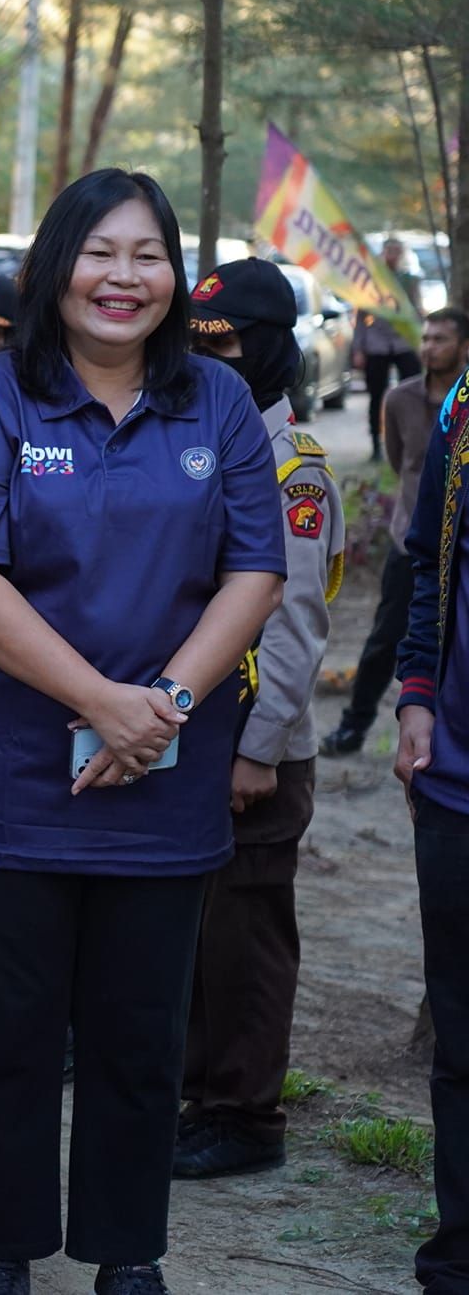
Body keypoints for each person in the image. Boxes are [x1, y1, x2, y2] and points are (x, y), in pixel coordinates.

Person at [0, 169, 285, 1295]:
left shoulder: (214, 402)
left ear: (172, 276)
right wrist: (102, 702)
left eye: (146, 257)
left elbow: (253, 568)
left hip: (160, 781)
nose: (122, 279)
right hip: (4, 779)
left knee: (136, 1035)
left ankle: (128, 1252)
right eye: (99, 253)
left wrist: (158, 707)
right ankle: (3, 1251)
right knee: (7, 1036)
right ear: (54, 267)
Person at [172, 258, 345, 1181]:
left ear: (272, 350)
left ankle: (246, 1115)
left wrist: (258, 751)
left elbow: (296, 628)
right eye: (200, 343)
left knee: (246, 936)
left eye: (227, 344)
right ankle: (203, 1097)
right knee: (203, 931)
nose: (211, 360)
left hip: (258, 749)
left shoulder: (293, 470)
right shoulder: (220, 438)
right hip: (203, 730)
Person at [396, 305, 469, 1295]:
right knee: (460, 1042)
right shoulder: (461, 412)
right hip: (454, 777)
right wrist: (414, 697)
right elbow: (427, 569)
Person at [324, 309, 469, 756]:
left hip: (459, 548)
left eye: (440, 339)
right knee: (387, 639)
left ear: (464, 347)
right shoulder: (399, 399)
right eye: (425, 338)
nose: (428, 347)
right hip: (413, 544)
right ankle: (355, 725)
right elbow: (400, 461)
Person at [353, 237, 426, 462]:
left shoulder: (409, 280)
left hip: (403, 343)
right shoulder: (371, 281)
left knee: (413, 391)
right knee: (376, 395)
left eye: (397, 251)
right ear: (383, 253)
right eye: (389, 251)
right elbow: (361, 316)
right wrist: (359, 348)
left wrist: (421, 342)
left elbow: (417, 311)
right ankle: (376, 444)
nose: (393, 255)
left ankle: (411, 442)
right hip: (377, 344)